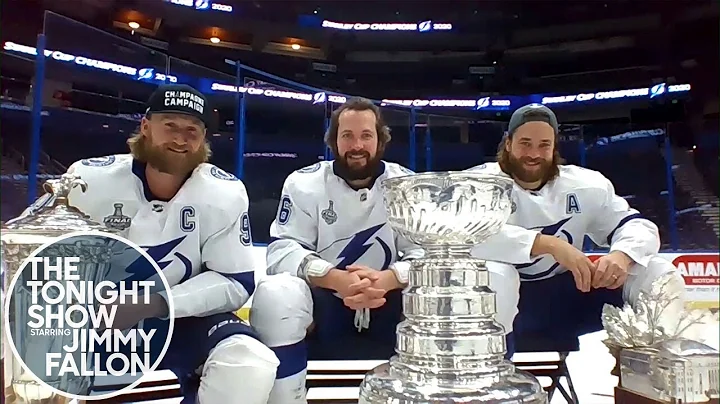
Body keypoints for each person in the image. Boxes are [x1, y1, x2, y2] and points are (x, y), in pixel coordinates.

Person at [249, 97, 548, 404]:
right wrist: (334, 278)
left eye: (366, 135)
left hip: (395, 304)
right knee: (276, 295)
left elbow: (427, 251)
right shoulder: (303, 183)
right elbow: (282, 249)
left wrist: (387, 280)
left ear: (381, 140)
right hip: (324, 303)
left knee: (489, 281)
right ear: (333, 141)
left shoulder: (407, 184)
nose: (357, 145)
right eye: (347, 136)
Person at [20, 84, 278, 403]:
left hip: (181, 320)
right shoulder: (89, 180)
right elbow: (27, 243)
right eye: (170, 126)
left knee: (250, 362)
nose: (180, 139)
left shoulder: (224, 194)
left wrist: (155, 303)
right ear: (145, 127)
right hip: (92, 319)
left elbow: (236, 282)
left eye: (192, 130)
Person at [467, 103, 687, 349]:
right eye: (525, 143)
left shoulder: (585, 184)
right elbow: (464, 236)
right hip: (508, 307)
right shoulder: (478, 184)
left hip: (569, 298)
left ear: (554, 147)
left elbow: (637, 225)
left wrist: (622, 255)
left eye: (544, 145)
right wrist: (548, 244)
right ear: (508, 143)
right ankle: (490, 377)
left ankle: (654, 368)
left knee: (657, 272)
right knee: (497, 275)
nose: (534, 154)